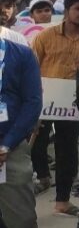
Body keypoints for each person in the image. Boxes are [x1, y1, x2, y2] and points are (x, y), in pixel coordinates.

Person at [32, 0, 79, 217]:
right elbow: (31, 68)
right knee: (36, 144)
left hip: (73, 103)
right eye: (78, 8)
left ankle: (63, 201)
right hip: (44, 100)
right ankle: (43, 177)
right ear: (66, 10)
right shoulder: (45, 37)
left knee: (67, 151)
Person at [0, 18, 43, 228]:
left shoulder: (21, 54)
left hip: (11, 149)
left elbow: (32, 102)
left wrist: (7, 144)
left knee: (21, 219)